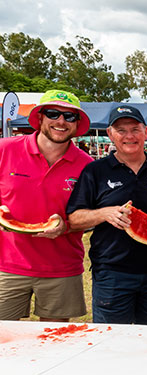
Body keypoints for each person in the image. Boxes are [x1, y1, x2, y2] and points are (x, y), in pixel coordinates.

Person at [66, 105, 147, 325]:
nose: (129, 136)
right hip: (112, 274)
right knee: (112, 342)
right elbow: (74, 219)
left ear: (146, 132)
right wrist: (104, 213)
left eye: (135, 129)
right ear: (110, 135)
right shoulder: (95, 171)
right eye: (121, 130)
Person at [0, 90, 94, 321]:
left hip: (61, 268)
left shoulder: (88, 165)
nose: (61, 121)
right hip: (7, 266)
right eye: (53, 114)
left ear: (77, 124)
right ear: (40, 117)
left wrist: (67, 226)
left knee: (55, 342)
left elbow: (92, 216)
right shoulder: (5, 149)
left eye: (69, 116)